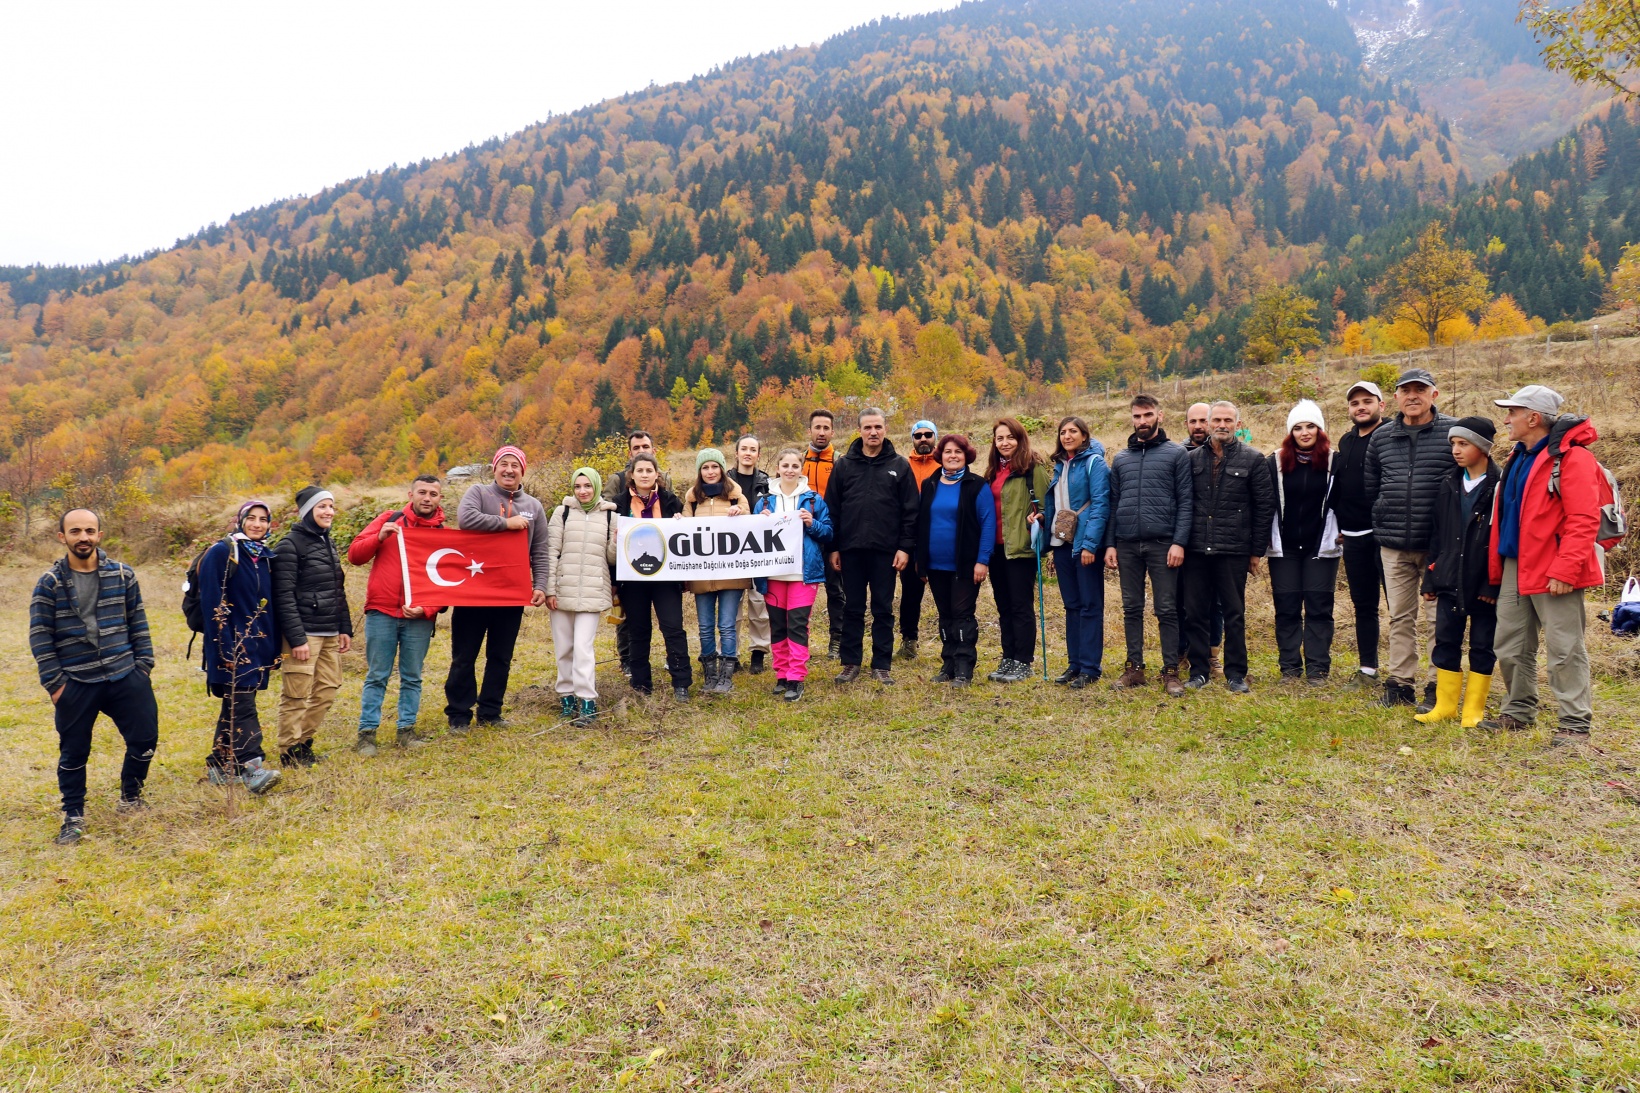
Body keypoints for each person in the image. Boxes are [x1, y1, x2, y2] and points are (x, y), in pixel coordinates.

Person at [30, 509, 160, 845]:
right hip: (76, 680)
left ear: (100, 535)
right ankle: (73, 816)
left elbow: (138, 623)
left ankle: (130, 798)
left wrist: (142, 667)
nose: (83, 537)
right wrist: (56, 684)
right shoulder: (50, 583)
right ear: (63, 537)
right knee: (74, 752)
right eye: (75, 531)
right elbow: (40, 635)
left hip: (124, 674)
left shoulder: (123, 574)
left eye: (90, 530)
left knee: (145, 739)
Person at [1484, 386, 1604, 745]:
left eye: (1513, 412)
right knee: (1510, 644)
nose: (1506, 419)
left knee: (1565, 647)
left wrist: (1566, 570)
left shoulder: (1574, 458)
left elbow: (1584, 519)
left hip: (1554, 568)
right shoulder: (1517, 456)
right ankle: (1518, 711)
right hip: (1515, 565)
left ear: (1533, 418)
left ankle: (1574, 724)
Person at [1364, 368, 1456, 709]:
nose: (1413, 396)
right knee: (1400, 616)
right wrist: (1383, 514)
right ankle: (1400, 685)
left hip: (1438, 545)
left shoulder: (1452, 432)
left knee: (1437, 618)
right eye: (1406, 391)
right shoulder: (1382, 437)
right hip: (1393, 543)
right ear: (1397, 397)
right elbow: (1372, 485)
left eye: (1421, 390)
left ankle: (1437, 686)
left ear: (1434, 394)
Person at [446, 445, 550, 731]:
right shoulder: (478, 493)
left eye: (515, 465)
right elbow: (466, 519)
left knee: (500, 656)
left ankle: (490, 712)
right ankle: (459, 713)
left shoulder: (534, 507)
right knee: (464, 656)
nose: (509, 470)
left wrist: (540, 584)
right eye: (504, 464)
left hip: (510, 593)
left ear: (522, 471)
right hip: (473, 592)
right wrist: (507, 523)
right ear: (494, 468)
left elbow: (540, 550)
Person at [348, 475, 447, 756]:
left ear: (440, 499)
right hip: (382, 610)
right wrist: (379, 537)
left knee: (412, 676)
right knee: (377, 675)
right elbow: (354, 555)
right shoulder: (388, 519)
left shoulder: (442, 533)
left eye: (433, 494)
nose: (427, 498)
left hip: (418, 618)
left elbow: (447, 583)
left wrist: (426, 610)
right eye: (422, 492)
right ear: (411, 494)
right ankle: (367, 734)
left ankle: (407, 730)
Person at [1183, 401, 1275, 693]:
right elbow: (1184, 503)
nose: (1222, 425)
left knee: (1234, 613)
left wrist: (1255, 552)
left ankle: (1236, 674)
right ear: (1208, 423)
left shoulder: (1253, 459)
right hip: (1197, 548)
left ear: (1238, 423)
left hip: (1233, 549)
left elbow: (1264, 508)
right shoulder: (1191, 459)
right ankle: (1199, 672)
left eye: (1228, 420)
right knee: (1195, 612)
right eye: (1217, 420)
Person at [1104, 395, 1192, 697]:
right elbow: (1114, 504)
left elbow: (1186, 503)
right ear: (1132, 419)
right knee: (1131, 608)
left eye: (1148, 415)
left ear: (1160, 416)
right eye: (1137, 416)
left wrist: (1179, 542)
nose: (1143, 421)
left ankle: (1170, 672)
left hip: (1163, 544)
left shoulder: (1176, 454)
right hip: (1127, 544)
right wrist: (1111, 544)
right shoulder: (1121, 458)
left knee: (1166, 609)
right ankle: (1134, 669)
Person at [1416, 417, 1500, 727]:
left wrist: (1493, 586)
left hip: (1483, 583)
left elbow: (1502, 539)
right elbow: (1436, 537)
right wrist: (1431, 577)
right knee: (1445, 641)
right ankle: (1445, 705)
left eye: (1463, 444)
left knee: (1482, 646)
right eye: (1453, 443)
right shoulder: (1448, 484)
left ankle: (1473, 710)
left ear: (1483, 448)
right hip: (1449, 579)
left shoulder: (1499, 486)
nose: (1456, 450)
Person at [826, 407, 920, 685]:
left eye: (878, 427)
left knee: (882, 608)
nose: (873, 432)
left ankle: (882, 664)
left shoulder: (900, 465)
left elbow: (910, 512)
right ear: (860, 430)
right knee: (852, 608)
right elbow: (833, 509)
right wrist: (834, 547)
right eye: (867, 427)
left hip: (886, 552)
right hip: (851, 550)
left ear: (885, 429)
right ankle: (851, 663)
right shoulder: (844, 465)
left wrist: (904, 547)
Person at [198, 501, 284, 796]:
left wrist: (273, 650)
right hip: (231, 645)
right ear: (240, 520)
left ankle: (218, 766)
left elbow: (269, 607)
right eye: (252, 518)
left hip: (259, 644)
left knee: (235, 703)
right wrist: (223, 648)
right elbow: (212, 603)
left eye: (263, 519)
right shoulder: (223, 552)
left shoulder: (264, 556)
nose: (257, 524)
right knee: (243, 705)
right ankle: (253, 767)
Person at [273, 485, 353, 767]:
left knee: (328, 688)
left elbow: (337, 589)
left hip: (330, 631)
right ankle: (288, 750)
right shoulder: (289, 545)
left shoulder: (327, 542)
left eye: (331, 506)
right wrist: (296, 639)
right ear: (308, 511)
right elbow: (283, 596)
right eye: (322, 506)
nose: (329, 511)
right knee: (296, 694)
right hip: (304, 634)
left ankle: (303, 742)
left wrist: (345, 628)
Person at [1266, 400, 1341, 683]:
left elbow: (1344, 500)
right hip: (1284, 548)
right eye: (1298, 427)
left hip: (1320, 547)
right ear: (1290, 432)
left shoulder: (1335, 462)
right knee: (1286, 608)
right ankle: (1289, 668)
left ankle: (1318, 668)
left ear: (1320, 430)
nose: (1305, 432)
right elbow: (1265, 503)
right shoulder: (1274, 462)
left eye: (1311, 426)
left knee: (1319, 608)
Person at [752, 447, 834, 701]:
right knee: (777, 626)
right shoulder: (764, 501)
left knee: (797, 625)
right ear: (778, 468)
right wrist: (759, 521)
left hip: (802, 573)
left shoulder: (813, 500)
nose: (789, 470)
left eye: (794, 466)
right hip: (773, 574)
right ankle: (781, 674)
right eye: (785, 465)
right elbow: (750, 537)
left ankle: (796, 678)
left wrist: (812, 523)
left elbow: (829, 533)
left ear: (801, 469)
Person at [915, 434, 996, 685]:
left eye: (958, 452)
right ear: (941, 455)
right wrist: (921, 561)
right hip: (935, 564)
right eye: (948, 451)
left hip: (965, 565)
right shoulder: (930, 484)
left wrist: (982, 560)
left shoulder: (976, 485)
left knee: (962, 614)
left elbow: (988, 524)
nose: (953, 456)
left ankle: (964, 667)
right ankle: (948, 664)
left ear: (966, 456)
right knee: (945, 614)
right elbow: (921, 524)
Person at [613, 453, 692, 700]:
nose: (645, 475)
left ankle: (681, 683)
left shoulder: (670, 501)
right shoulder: (619, 503)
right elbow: (609, 545)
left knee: (673, 628)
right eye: (640, 471)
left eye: (649, 470)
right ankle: (641, 685)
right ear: (632, 475)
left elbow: (685, 537)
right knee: (638, 630)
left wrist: (681, 521)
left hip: (665, 578)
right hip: (633, 579)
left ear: (656, 474)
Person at [1041, 416, 1112, 688]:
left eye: (1073, 431)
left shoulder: (1095, 463)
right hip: (1062, 543)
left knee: (1089, 605)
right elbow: (1058, 504)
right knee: (1071, 604)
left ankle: (1090, 667)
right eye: (1063, 432)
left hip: (1084, 544)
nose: (1067, 436)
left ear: (1085, 436)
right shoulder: (1060, 465)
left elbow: (1100, 504)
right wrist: (1042, 522)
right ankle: (1075, 664)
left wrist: (1090, 544)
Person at [546, 467, 618, 725]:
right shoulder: (561, 513)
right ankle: (566, 697)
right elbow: (551, 551)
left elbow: (611, 559)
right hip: (562, 591)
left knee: (584, 648)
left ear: (597, 486)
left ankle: (587, 701)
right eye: (578, 486)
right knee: (564, 648)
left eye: (588, 486)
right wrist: (549, 589)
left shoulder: (611, 517)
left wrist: (616, 543)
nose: (583, 491)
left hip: (592, 590)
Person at [984, 417, 1052, 683]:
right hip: (996, 549)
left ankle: (1024, 661)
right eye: (1000, 438)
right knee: (1003, 606)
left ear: (1020, 438)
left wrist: (1039, 518)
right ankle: (1008, 657)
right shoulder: (992, 472)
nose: (1004, 442)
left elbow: (1048, 508)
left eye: (1010, 437)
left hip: (1021, 548)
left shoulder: (1032, 469)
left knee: (1020, 606)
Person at [1331, 380, 1388, 684]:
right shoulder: (1346, 441)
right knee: (1364, 604)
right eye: (1355, 403)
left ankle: (1410, 674)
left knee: (1400, 605)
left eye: (1367, 401)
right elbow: (1341, 488)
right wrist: (1341, 525)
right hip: (1353, 536)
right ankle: (1368, 669)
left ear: (1382, 405)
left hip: (1387, 535)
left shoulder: (1392, 435)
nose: (1361, 407)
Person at [683, 448, 752, 694]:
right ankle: (709, 675)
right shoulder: (692, 499)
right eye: (705, 468)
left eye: (714, 467)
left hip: (731, 573)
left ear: (722, 469)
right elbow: (683, 531)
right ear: (699, 471)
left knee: (726, 624)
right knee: (704, 625)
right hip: (702, 574)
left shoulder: (736, 496)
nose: (710, 472)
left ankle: (726, 675)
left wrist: (740, 512)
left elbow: (751, 520)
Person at [604, 430, 670, 679]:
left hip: (660, 557)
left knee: (666, 617)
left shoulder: (665, 479)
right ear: (629, 453)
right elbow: (609, 512)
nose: (641, 450)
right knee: (629, 616)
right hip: (627, 558)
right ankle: (627, 660)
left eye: (646, 446)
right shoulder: (617, 480)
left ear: (653, 449)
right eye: (636, 447)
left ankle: (666, 657)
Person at [1176, 401, 1222, 676]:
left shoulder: (1227, 453)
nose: (1198, 426)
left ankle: (1212, 654)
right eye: (1193, 421)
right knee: (1184, 600)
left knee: (1214, 602)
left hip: (1218, 540)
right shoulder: (1178, 455)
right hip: (1186, 540)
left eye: (1203, 421)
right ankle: (1184, 652)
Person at [727, 434, 772, 675]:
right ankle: (731, 655)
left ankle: (758, 653)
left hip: (758, 549)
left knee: (758, 604)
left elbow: (774, 511)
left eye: (752, 449)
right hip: (731, 553)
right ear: (736, 453)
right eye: (743, 448)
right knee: (732, 606)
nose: (747, 453)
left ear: (758, 454)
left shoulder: (766, 483)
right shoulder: (724, 481)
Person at [897, 418, 942, 660]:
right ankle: (909, 640)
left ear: (935, 436)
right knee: (911, 592)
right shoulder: (903, 466)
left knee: (944, 591)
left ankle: (951, 640)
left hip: (939, 537)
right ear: (912, 439)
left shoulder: (946, 464)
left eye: (928, 434)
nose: (923, 439)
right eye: (918, 435)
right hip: (910, 538)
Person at [802, 409, 845, 659]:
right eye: (817, 427)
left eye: (826, 428)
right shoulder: (797, 461)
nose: (821, 432)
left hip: (832, 535)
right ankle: (798, 641)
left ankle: (837, 640)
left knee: (836, 590)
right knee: (799, 588)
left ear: (832, 431)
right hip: (803, 536)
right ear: (810, 430)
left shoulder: (841, 461)